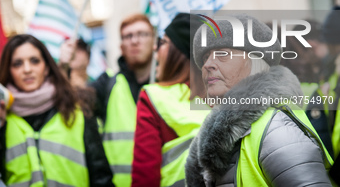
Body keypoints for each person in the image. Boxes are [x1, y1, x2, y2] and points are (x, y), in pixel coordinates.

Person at [185, 15, 332, 187]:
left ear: (254, 61)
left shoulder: (277, 131)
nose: (207, 64)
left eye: (222, 54)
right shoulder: (225, 132)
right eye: (205, 57)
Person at [0, 34, 114, 187]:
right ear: (8, 70)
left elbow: (101, 176)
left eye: (34, 61)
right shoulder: (3, 118)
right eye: (17, 64)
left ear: (46, 68)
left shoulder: (77, 110)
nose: (27, 69)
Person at [131, 13, 210, 187]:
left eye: (162, 42)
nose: (154, 48)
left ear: (180, 50)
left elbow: (145, 178)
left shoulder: (153, 97)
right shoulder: (233, 98)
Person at [90, 13, 154, 187]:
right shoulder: (107, 84)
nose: (135, 41)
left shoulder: (173, 84)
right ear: (121, 46)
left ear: (154, 42)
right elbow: (70, 102)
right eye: (128, 36)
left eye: (142, 34)